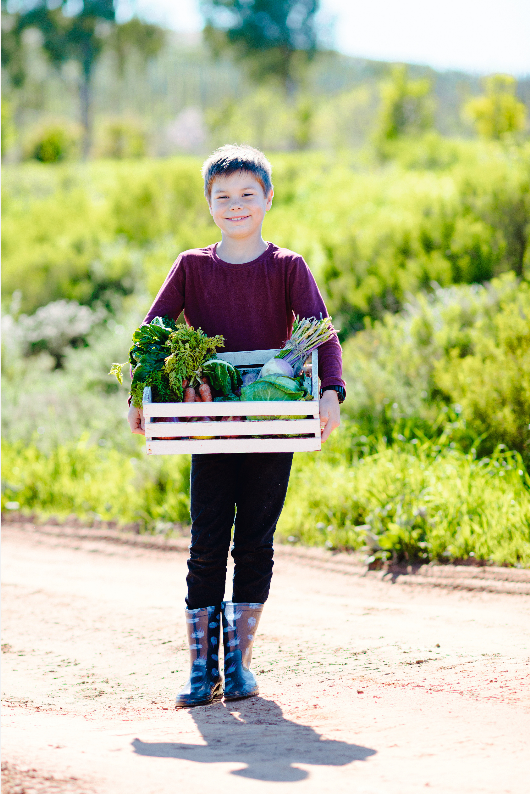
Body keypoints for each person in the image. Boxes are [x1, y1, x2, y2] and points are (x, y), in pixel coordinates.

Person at [127, 144, 346, 708]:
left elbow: (322, 335)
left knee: (255, 542)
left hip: (274, 423)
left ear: (268, 199)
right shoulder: (192, 267)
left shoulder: (288, 268)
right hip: (211, 421)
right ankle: (201, 673)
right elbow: (151, 330)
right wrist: (140, 394)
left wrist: (329, 394)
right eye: (223, 196)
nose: (236, 205)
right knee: (206, 543)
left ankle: (239, 667)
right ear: (209, 204)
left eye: (248, 194)